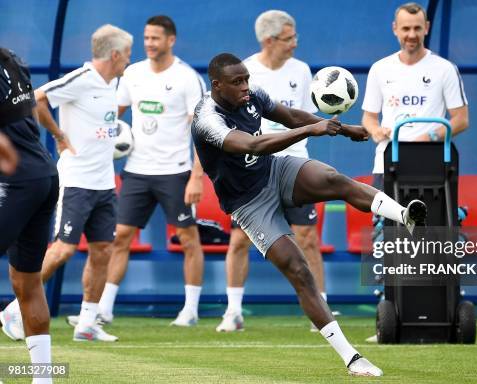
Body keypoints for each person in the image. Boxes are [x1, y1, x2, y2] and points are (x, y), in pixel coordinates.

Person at [192, 52, 429, 377]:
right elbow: (252, 146)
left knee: (333, 178)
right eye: (237, 82)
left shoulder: (252, 95)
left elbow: (289, 115)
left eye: (246, 78)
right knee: (298, 270)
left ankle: (406, 217)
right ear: (217, 85)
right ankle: (352, 358)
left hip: (274, 171)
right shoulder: (207, 119)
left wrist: (343, 128)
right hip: (248, 203)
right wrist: (312, 131)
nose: (246, 86)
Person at [68, 15, 206, 328]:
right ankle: (104, 309)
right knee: (120, 238)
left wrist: (196, 176)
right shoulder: (132, 74)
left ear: (171, 40)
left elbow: (202, 131)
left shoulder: (187, 78)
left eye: (155, 38)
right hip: (137, 171)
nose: (149, 44)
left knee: (188, 239)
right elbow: (110, 117)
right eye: (146, 38)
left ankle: (191, 310)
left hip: (176, 172)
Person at [1, 25, 133, 343]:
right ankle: (14, 310)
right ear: (115, 54)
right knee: (63, 249)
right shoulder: (81, 79)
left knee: (104, 249)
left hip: (104, 182)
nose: (129, 60)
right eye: (127, 54)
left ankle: (87, 323)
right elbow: (39, 98)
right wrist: (60, 137)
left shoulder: (114, 83)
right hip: (76, 180)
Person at [361, 1, 469, 342]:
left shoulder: (444, 69)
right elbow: (368, 118)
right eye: (405, 28)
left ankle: (442, 312)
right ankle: (389, 315)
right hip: (388, 167)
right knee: (389, 240)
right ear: (395, 29)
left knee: (435, 240)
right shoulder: (380, 69)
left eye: (417, 28)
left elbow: (461, 120)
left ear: (425, 29)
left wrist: (427, 136)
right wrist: (376, 131)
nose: (411, 35)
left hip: (432, 172)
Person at [216, 10, 326, 333]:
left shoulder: (302, 71)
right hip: (253, 170)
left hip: (295, 165)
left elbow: (305, 117)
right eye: (289, 38)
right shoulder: (244, 72)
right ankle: (233, 312)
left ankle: (321, 307)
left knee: (307, 238)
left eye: (294, 37)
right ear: (269, 40)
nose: (295, 43)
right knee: (239, 239)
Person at [0, 47, 58, 384]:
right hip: (44, 175)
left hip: (16, 182)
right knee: (27, 282)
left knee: (28, 283)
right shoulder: (14, 59)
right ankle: (43, 379)